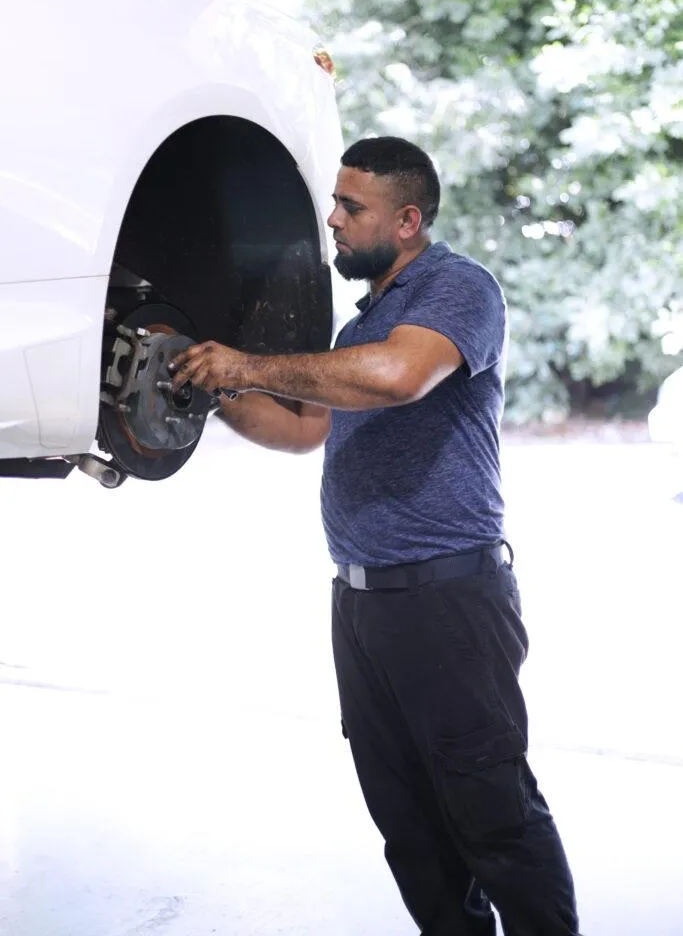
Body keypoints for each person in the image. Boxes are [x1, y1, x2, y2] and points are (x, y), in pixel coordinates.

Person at [169, 137, 581, 936]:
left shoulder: (457, 289)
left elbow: (397, 378)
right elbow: (301, 428)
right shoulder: (373, 316)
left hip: (448, 598)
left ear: (406, 219)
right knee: (411, 831)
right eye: (335, 201)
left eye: (350, 207)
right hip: (363, 605)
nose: (332, 219)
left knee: (493, 817)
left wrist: (248, 360)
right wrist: (205, 384)